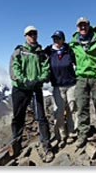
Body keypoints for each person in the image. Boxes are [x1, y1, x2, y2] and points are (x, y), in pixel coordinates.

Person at [9, 25, 54, 163]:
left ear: (37, 35)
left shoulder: (41, 53)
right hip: (20, 88)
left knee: (41, 117)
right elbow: (14, 68)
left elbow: (46, 69)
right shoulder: (19, 51)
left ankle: (46, 146)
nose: (32, 36)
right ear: (25, 36)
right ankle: (16, 144)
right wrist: (25, 81)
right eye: (29, 34)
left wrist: (38, 80)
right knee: (18, 117)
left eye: (34, 33)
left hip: (35, 88)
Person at [69, 17, 96, 148]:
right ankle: (83, 134)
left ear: (89, 25)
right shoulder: (74, 43)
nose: (82, 27)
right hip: (81, 78)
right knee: (81, 106)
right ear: (77, 27)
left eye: (84, 25)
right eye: (80, 25)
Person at [44, 30, 77, 148]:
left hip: (71, 84)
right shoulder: (49, 51)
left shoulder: (69, 50)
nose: (56, 41)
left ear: (63, 39)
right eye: (54, 38)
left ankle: (72, 132)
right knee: (59, 111)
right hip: (57, 86)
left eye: (58, 38)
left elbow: (77, 62)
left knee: (72, 108)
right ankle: (61, 135)